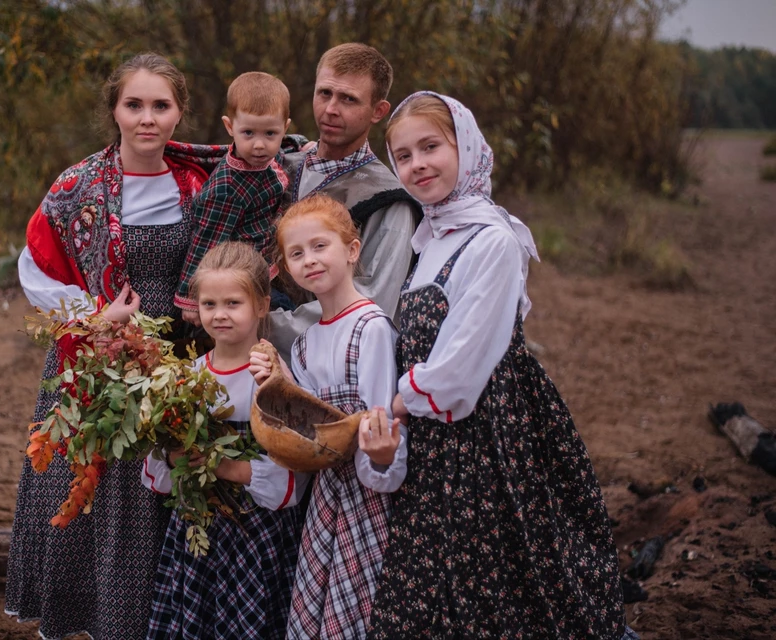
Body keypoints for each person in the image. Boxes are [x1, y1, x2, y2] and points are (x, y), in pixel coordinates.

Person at [367, 91, 635, 640]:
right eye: (403, 156)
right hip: (433, 447)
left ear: (465, 146)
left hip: (485, 438)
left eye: (430, 147)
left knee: (490, 589)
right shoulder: (430, 237)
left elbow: (460, 372)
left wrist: (394, 403)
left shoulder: (491, 240)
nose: (417, 164)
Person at [5, 53, 208, 640]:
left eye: (161, 106)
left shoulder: (197, 182)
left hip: (170, 365)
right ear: (114, 111)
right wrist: (95, 317)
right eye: (134, 105)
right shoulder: (77, 186)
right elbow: (35, 267)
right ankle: (89, 620)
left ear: (179, 114)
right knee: (92, 492)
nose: (148, 119)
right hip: (92, 365)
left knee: (157, 498)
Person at [250, 194, 408, 639]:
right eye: (297, 254)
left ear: (352, 250)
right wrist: (277, 380)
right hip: (325, 496)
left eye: (321, 246)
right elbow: (306, 419)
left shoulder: (371, 327)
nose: (310, 260)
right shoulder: (303, 343)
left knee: (355, 613)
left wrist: (379, 465)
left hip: (366, 498)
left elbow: (378, 427)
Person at [143, 241, 310, 640]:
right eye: (209, 304)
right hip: (199, 532)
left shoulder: (272, 380)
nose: (219, 315)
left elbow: (291, 479)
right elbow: (158, 475)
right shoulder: (186, 377)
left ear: (262, 306)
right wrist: (174, 454)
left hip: (255, 535)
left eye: (233, 303)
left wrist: (222, 466)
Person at [268, 43, 422, 360]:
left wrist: (264, 325)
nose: (331, 109)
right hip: (239, 351)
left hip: (329, 372)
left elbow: (372, 302)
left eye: (348, 99)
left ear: (378, 111)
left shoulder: (388, 200)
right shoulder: (279, 165)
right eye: (325, 93)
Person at [174, 72, 293, 325]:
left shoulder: (269, 157)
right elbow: (205, 242)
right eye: (248, 133)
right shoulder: (227, 188)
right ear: (230, 127)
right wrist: (191, 298)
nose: (259, 145)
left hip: (268, 262)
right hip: (241, 277)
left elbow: (283, 153)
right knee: (279, 321)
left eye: (270, 134)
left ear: (285, 129)